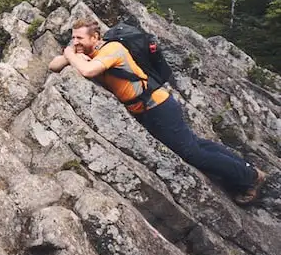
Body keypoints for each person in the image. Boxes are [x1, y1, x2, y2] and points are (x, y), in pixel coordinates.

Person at [49, 18, 267, 204]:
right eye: (73, 37)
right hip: (149, 109)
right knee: (196, 143)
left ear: (95, 37)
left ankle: (250, 177)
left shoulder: (112, 50)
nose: (75, 41)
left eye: (79, 38)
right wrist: (72, 53)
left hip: (157, 106)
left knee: (191, 153)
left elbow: (87, 71)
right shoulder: (91, 53)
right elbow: (54, 65)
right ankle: (247, 170)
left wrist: (71, 53)